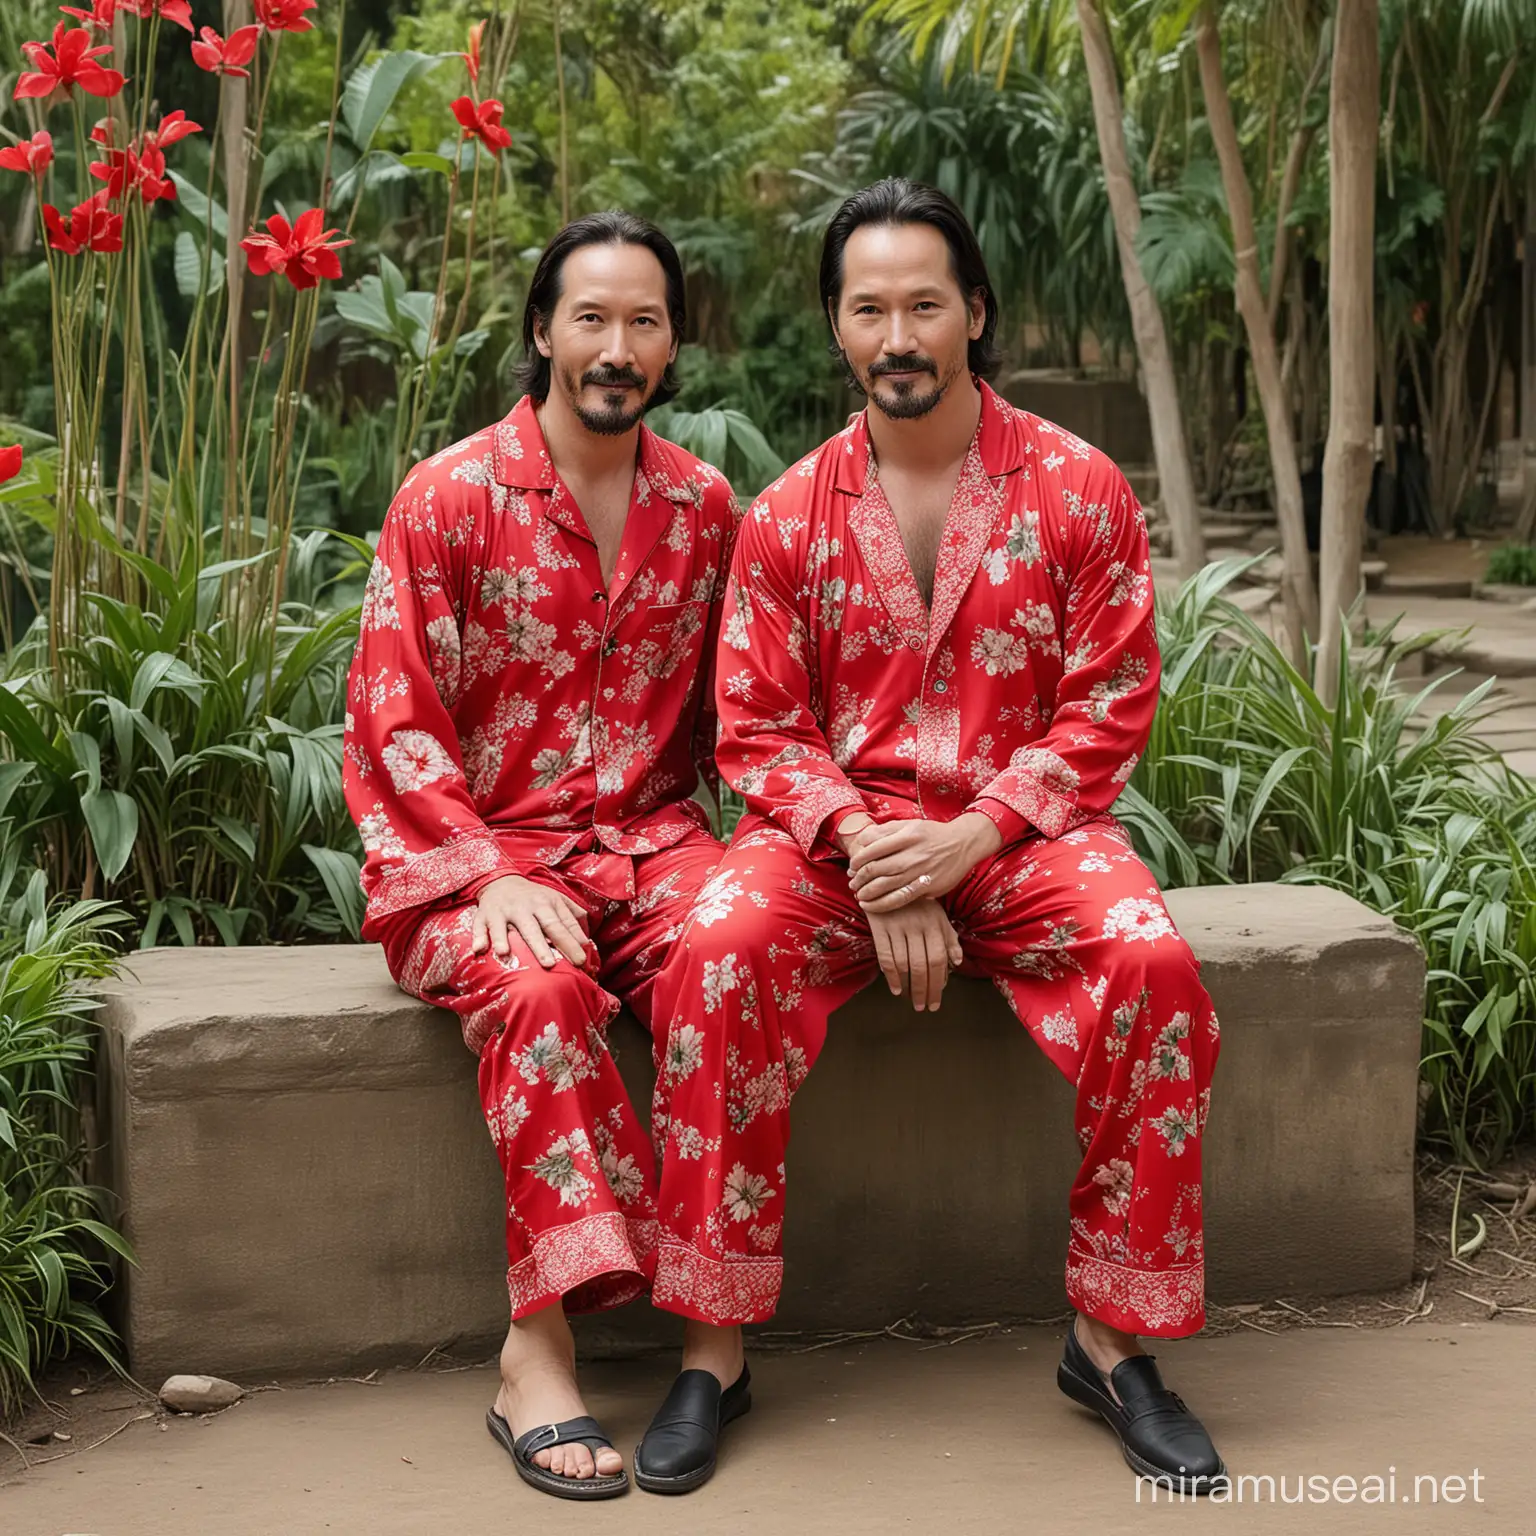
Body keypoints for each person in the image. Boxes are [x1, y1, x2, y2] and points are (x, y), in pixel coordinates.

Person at [640, 178, 1226, 1495]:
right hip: (840, 846)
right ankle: (711, 1347)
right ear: (839, 329)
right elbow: (759, 730)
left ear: (973, 312)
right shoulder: (787, 513)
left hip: (1024, 835)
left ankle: (1110, 1340)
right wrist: (869, 850)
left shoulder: (1078, 488)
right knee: (717, 947)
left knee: (1153, 969)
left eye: (922, 303)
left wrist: (969, 841)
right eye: (868, 308)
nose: (896, 333)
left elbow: (1110, 704)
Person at [342, 211, 738, 1501]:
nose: (615, 347)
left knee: (739, 955)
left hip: (651, 846)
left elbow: (750, 712)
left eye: (642, 321)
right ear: (541, 331)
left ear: (672, 344)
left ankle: (712, 1342)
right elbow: (393, 719)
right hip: (475, 857)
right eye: (590, 318)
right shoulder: (449, 497)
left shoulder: (704, 506)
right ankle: (540, 1350)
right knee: (543, 988)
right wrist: (483, 873)